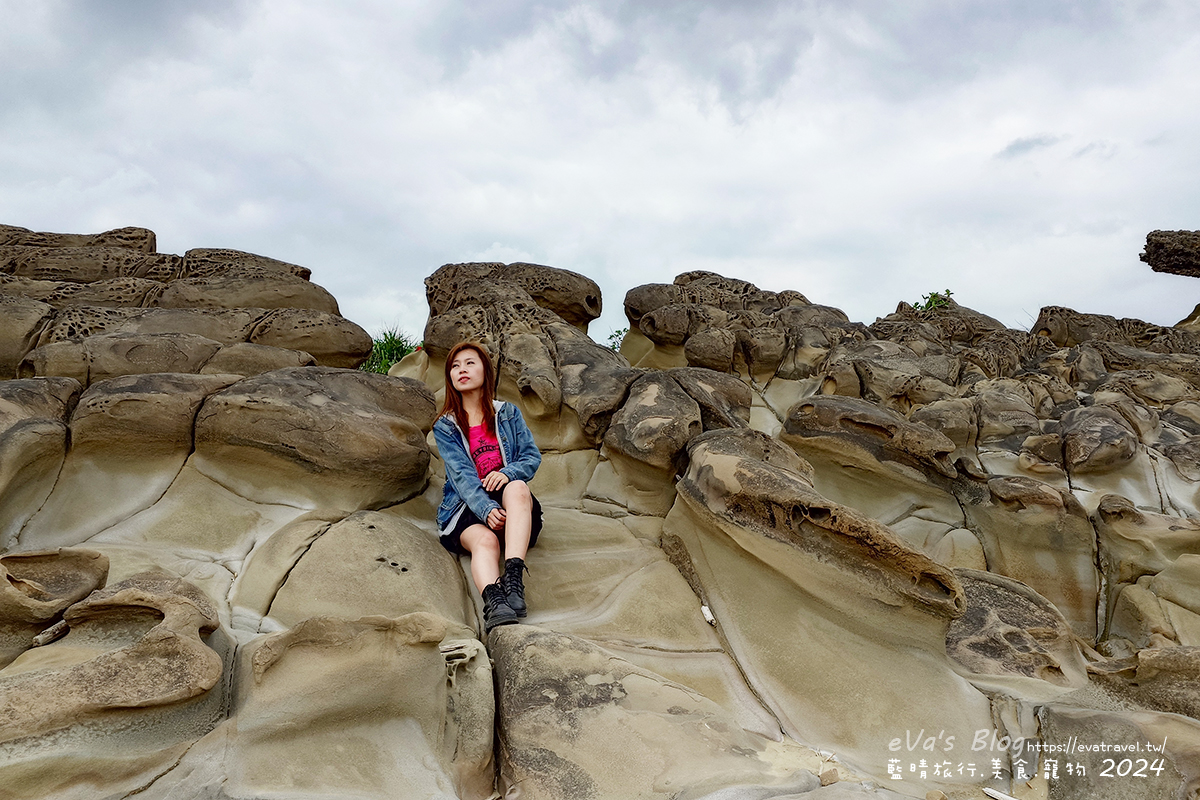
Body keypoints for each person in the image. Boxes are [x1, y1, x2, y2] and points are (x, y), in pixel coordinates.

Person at [433, 341, 543, 632]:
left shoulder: (507, 413)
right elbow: (461, 475)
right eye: (455, 367)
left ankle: (514, 581)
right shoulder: (446, 426)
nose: (462, 370)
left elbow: (531, 456)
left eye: (469, 363)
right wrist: (485, 509)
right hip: (466, 506)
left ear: (485, 370)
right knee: (486, 542)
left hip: (511, 506)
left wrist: (507, 473)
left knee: (518, 488)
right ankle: (495, 603)